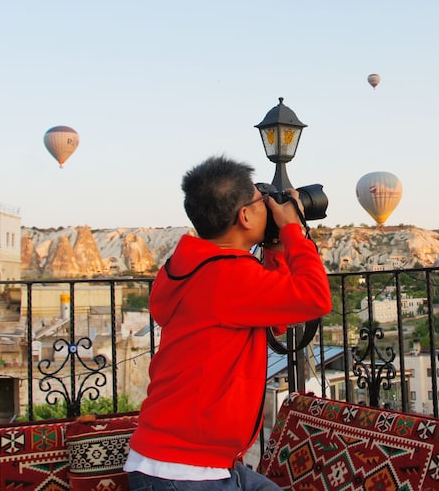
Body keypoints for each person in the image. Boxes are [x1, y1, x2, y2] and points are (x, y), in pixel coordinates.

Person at [126, 155, 333, 491]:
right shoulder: (229, 275)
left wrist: (277, 248)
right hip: (184, 472)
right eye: (261, 200)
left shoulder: (189, 265)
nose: (269, 207)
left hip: (195, 462)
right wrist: (294, 228)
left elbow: (280, 314)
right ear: (245, 215)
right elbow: (315, 298)